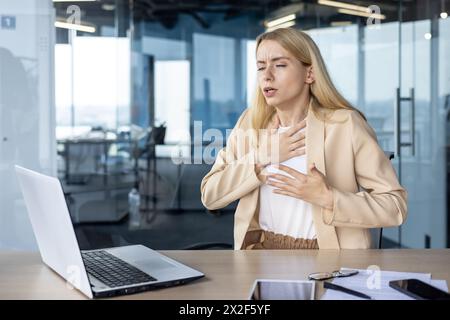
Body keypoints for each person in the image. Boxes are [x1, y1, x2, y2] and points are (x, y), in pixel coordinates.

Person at [200, 28, 407, 250]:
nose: (267, 75)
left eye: (279, 65)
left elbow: (395, 206)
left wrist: (329, 198)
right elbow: (210, 195)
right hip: (261, 257)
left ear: (309, 74)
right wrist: (261, 158)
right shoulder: (250, 122)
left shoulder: (345, 124)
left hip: (330, 263)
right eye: (261, 66)